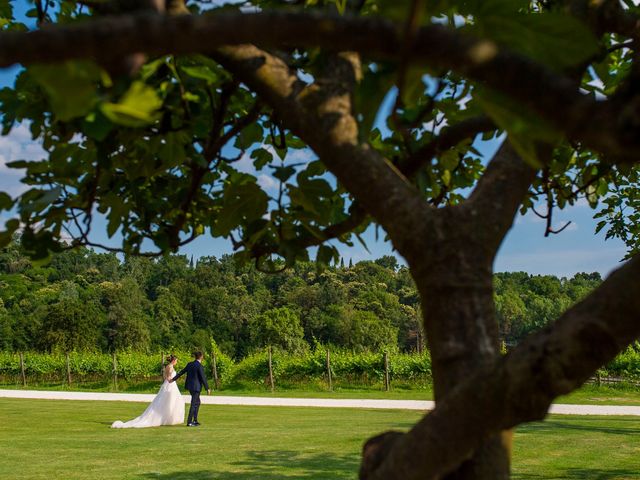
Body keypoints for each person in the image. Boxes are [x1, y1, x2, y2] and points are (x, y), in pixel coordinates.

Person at [111, 354, 185, 429]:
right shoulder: (170, 367)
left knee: (172, 401)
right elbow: (168, 378)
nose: (177, 362)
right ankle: (165, 418)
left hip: (170, 385)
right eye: (176, 361)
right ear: (173, 360)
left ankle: (168, 418)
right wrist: (174, 379)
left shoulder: (169, 366)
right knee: (169, 401)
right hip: (170, 385)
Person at [170, 351, 210, 427]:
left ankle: (195, 420)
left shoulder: (190, 364)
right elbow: (203, 378)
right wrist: (207, 388)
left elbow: (181, 372)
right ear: (201, 357)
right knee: (194, 403)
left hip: (190, 386)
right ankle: (189, 422)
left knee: (197, 402)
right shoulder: (199, 366)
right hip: (196, 387)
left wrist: (173, 379)